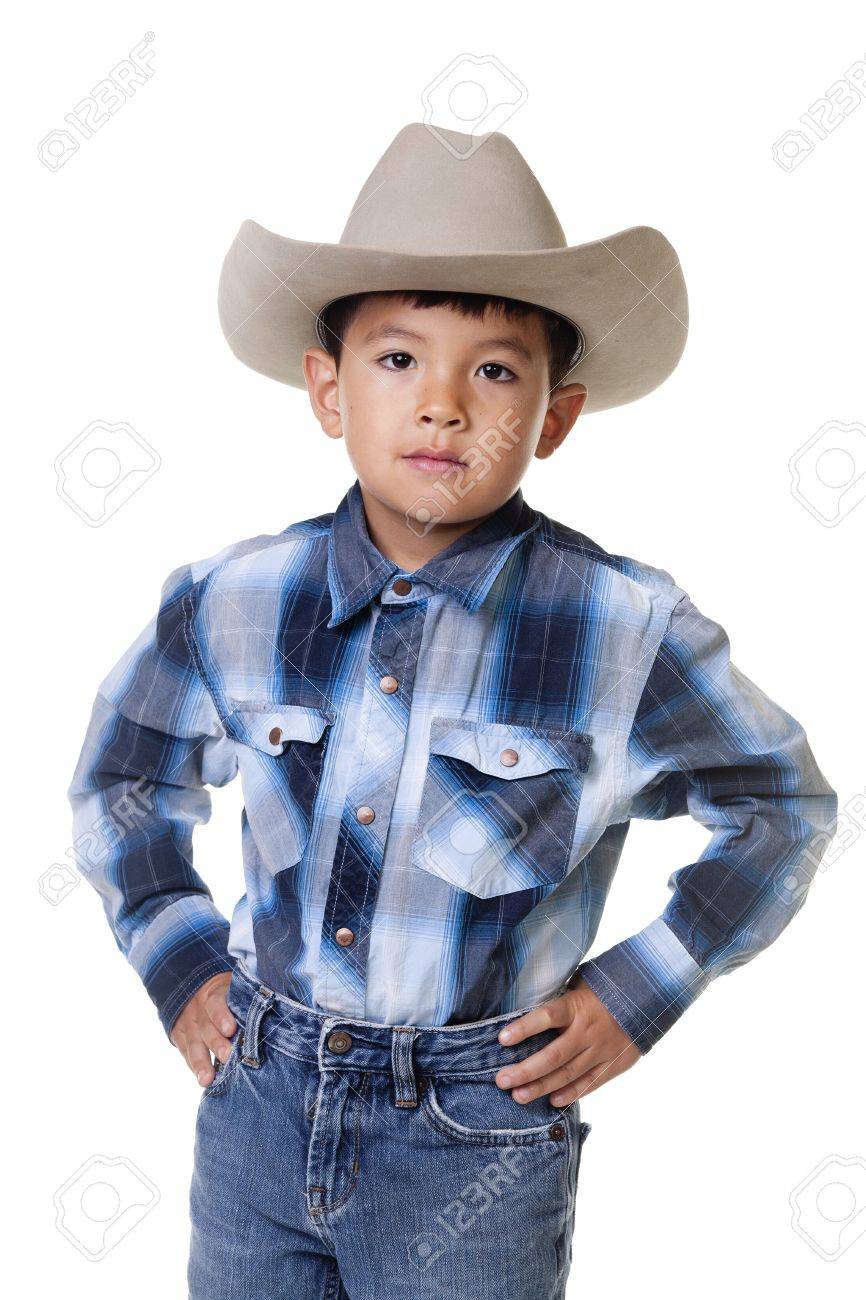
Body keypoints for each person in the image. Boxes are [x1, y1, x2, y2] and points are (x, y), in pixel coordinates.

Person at [67, 121, 838, 1299]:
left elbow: (781, 806)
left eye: (493, 371)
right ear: (327, 389)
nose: (440, 406)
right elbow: (123, 779)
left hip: (475, 1130)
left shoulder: (620, 626)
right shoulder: (234, 598)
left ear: (554, 416)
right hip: (256, 1104)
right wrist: (179, 962)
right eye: (396, 359)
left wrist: (636, 994)